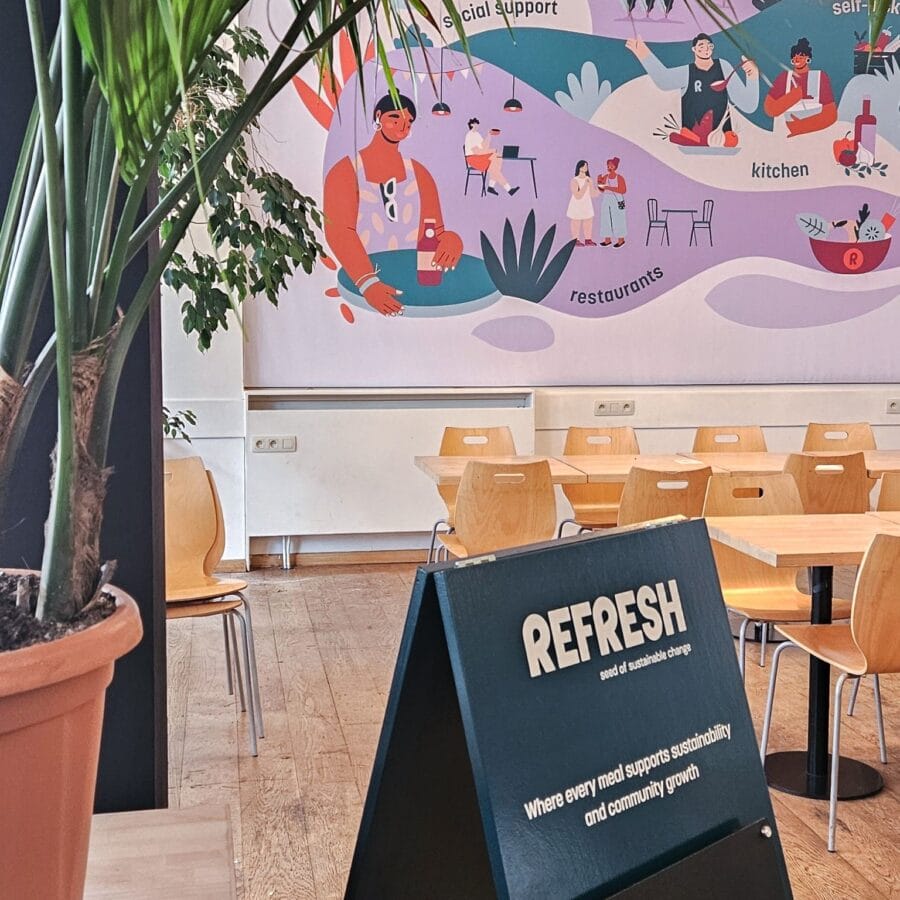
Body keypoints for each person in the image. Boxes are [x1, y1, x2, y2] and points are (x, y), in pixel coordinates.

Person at [323, 94, 463, 316]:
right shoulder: (345, 171)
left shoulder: (419, 174)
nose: (402, 126)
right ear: (378, 116)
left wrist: (451, 240)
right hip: (361, 289)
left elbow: (433, 232)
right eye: (395, 118)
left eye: (408, 121)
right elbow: (340, 232)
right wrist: (368, 283)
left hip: (413, 285)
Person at [626, 33, 759, 147]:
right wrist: (643, 53)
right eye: (701, 46)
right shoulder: (688, 72)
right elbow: (664, 80)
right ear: (694, 49)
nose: (706, 49)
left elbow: (748, 104)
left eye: (709, 46)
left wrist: (752, 76)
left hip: (723, 140)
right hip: (692, 140)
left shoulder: (723, 67)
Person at [764, 37, 836, 137]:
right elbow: (769, 109)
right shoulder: (785, 78)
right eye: (794, 56)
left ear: (808, 58)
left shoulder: (819, 77)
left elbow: (831, 114)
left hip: (818, 135)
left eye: (801, 55)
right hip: (788, 137)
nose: (797, 58)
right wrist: (793, 97)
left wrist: (801, 126)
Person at [464, 118, 519, 197]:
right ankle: (505, 188)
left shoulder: (477, 134)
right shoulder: (470, 136)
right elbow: (477, 152)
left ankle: (492, 187)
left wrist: (489, 135)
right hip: (473, 159)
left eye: (477, 124)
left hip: (479, 157)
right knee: (494, 161)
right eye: (475, 124)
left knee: (497, 158)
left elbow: (484, 147)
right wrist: (492, 150)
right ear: (471, 124)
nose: (477, 125)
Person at [567, 160, 600, 246]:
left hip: (587, 203)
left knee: (588, 221)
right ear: (579, 167)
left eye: (587, 166)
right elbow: (578, 195)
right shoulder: (574, 180)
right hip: (576, 204)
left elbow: (592, 194)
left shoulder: (589, 179)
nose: (586, 168)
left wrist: (600, 189)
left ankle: (588, 239)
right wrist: (585, 185)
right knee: (576, 222)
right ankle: (575, 240)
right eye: (584, 166)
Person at [597, 157, 627, 247]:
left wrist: (608, 188)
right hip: (606, 199)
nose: (609, 167)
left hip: (617, 199)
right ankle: (607, 239)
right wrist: (599, 182)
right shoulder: (606, 177)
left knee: (618, 219)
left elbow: (623, 190)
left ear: (615, 167)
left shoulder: (619, 177)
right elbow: (602, 190)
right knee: (605, 219)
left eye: (611, 166)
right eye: (608, 166)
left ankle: (621, 240)